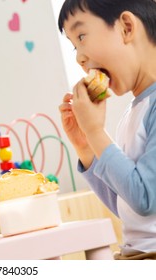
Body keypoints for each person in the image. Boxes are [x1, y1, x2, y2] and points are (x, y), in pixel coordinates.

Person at [58, 0, 156, 260]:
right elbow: (127, 205)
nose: (79, 57)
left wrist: (96, 132)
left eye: (81, 36)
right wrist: (86, 147)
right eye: (73, 45)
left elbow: (144, 198)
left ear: (125, 27)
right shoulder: (133, 112)